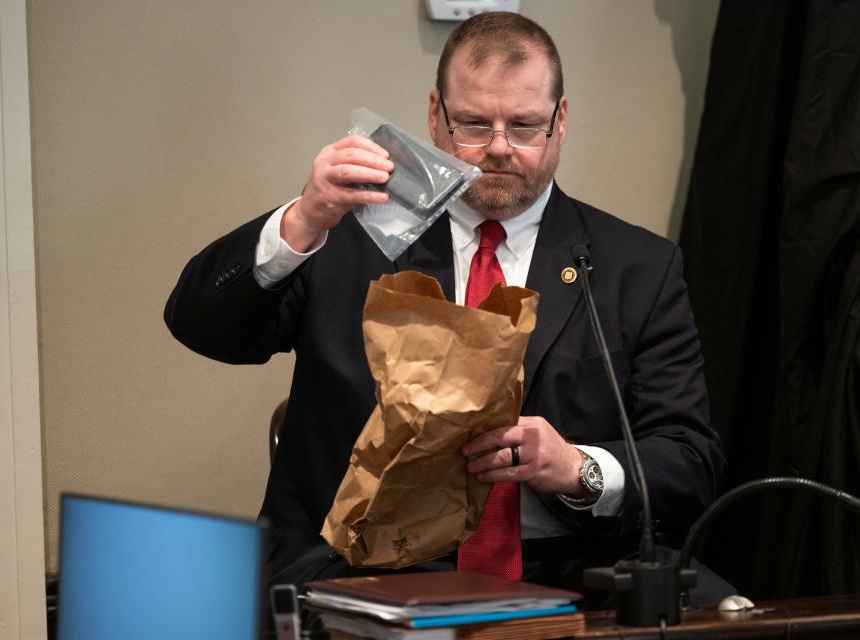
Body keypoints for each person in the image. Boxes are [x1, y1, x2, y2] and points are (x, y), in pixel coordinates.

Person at [165, 12, 724, 601]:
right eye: (475, 125)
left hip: (564, 569)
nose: (500, 149)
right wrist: (304, 218)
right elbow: (200, 325)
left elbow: (689, 461)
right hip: (357, 570)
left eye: (526, 125)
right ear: (436, 116)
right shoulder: (347, 237)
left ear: (561, 120)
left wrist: (577, 468)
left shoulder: (636, 267)